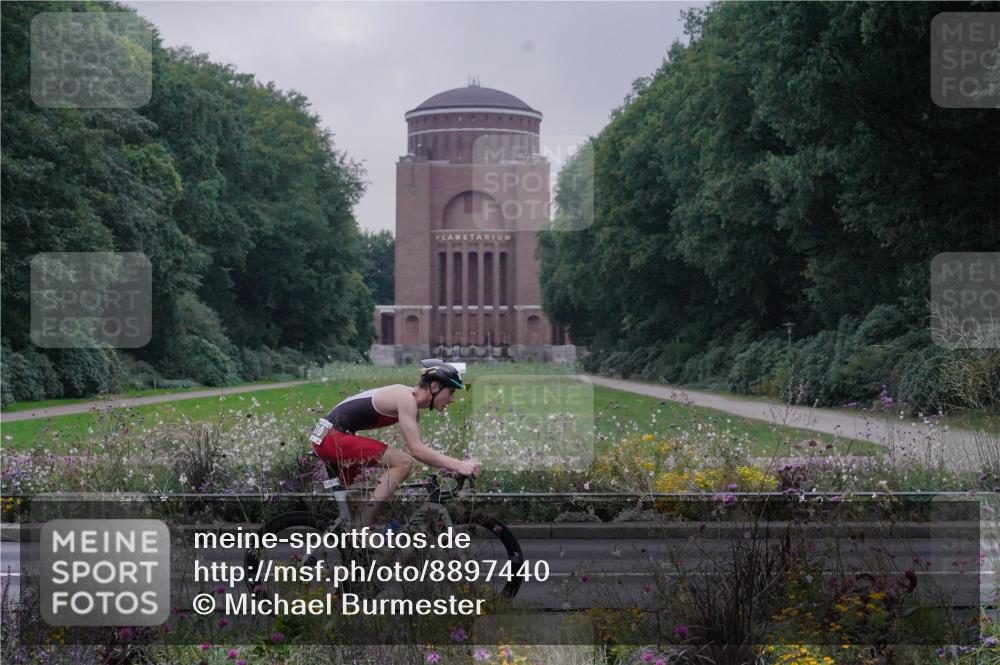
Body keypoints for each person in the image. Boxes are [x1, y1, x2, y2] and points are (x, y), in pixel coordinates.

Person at [309, 359, 481, 526]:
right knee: (403, 462)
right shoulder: (405, 398)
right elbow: (416, 451)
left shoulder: (408, 401)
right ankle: (361, 529)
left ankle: (358, 548)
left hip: (329, 436)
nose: (452, 399)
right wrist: (458, 465)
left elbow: (420, 449)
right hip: (331, 438)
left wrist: (453, 466)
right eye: (451, 391)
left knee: (360, 502)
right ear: (435, 386)